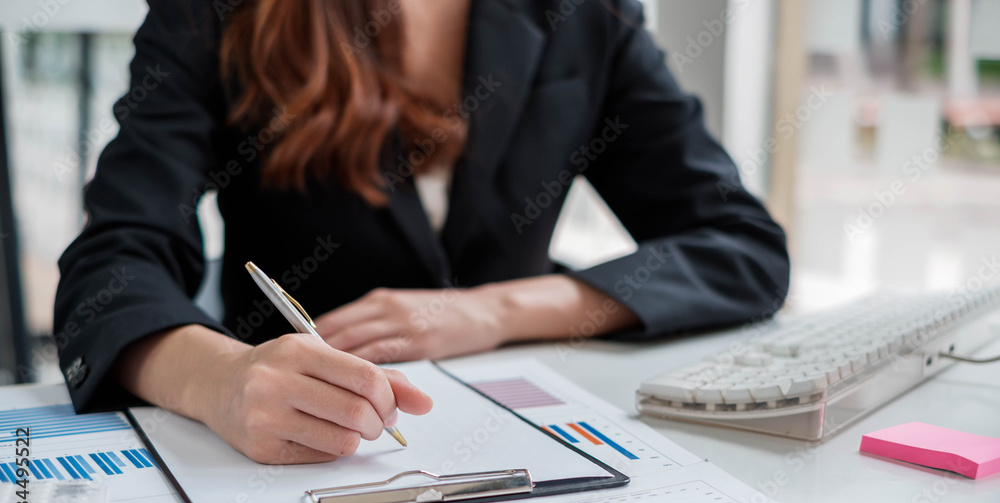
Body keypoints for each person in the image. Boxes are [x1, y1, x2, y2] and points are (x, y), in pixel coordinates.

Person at [54, 0, 790, 465]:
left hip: (529, 444)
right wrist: (221, 380)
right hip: (300, 453)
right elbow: (113, 264)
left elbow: (741, 245)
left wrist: (491, 312)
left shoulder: (588, 12)